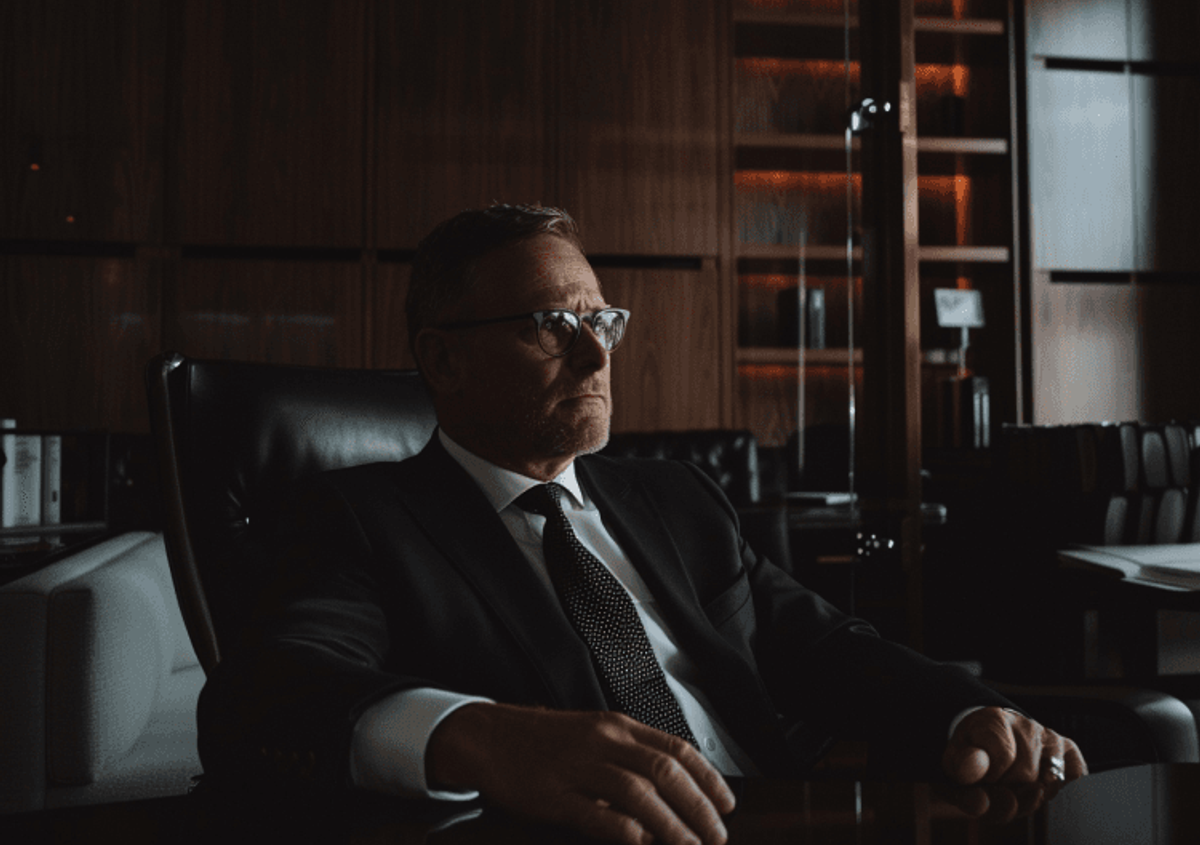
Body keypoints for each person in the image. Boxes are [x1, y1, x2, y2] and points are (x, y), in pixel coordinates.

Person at [198, 204, 1085, 845]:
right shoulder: (363, 518)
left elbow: (828, 648)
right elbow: (260, 699)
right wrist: (485, 738)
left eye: (601, 321)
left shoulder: (677, 499)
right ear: (443, 357)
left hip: (781, 815)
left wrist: (969, 713)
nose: (595, 355)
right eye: (553, 326)